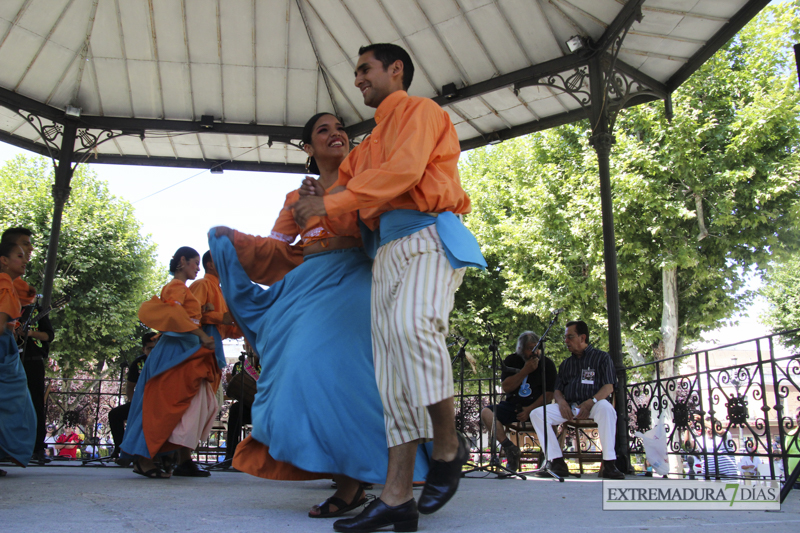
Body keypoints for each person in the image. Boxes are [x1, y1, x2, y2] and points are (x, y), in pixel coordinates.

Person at [292, 43, 486, 532]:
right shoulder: (362, 151)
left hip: (427, 233)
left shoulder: (422, 111)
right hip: (386, 253)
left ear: (395, 70)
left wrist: (333, 203)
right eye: (355, 72)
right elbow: (344, 201)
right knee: (391, 378)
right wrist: (320, 198)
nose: (357, 79)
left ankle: (447, 445)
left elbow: (404, 173)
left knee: (412, 327)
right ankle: (397, 497)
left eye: (365, 69)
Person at [211, 111, 431, 521]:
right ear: (309, 148)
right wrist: (235, 241)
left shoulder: (365, 181)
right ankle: (348, 469)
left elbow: (385, 224)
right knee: (297, 368)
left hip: (356, 278)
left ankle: (353, 485)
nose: (336, 134)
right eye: (323, 130)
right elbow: (278, 249)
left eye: (340, 128)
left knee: (343, 371)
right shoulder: (294, 199)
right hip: (308, 286)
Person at [120, 246, 218, 479]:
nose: (197, 268)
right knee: (161, 406)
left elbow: (182, 314)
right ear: (182, 261)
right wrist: (202, 335)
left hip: (182, 350)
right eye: (195, 263)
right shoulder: (176, 286)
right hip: (175, 352)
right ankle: (144, 459)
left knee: (179, 405)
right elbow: (174, 315)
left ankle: (162, 457)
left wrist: (202, 310)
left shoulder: (182, 289)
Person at [528, 320, 625, 479]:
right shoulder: (566, 364)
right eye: (565, 337)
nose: (566, 341)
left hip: (595, 405)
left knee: (607, 409)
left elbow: (608, 388)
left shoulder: (602, 358)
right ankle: (556, 462)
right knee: (537, 414)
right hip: (571, 407)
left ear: (582, 337)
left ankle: (609, 463)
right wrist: (561, 402)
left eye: (570, 337)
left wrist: (590, 402)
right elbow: (558, 389)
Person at [1, 227, 53, 465]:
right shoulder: (4, 283)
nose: (29, 252)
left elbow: (47, 334)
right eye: (21, 250)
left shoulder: (15, 286)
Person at [479, 331, 556, 472]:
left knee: (544, 415)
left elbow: (549, 394)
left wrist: (529, 410)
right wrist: (524, 371)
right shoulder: (512, 361)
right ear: (520, 349)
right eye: (529, 348)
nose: (534, 352)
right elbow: (506, 387)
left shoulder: (547, 364)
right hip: (513, 405)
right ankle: (510, 448)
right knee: (486, 412)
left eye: (536, 348)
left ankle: (549, 459)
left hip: (537, 409)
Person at [0, 241, 37, 476]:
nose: (25, 260)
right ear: (4, 259)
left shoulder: (10, 285)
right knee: (14, 404)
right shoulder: (3, 283)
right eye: (19, 255)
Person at [107, 332, 159, 462]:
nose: (153, 351)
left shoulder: (164, 361)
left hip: (160, 404)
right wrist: (134, 403)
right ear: (143, 349)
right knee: (115, 415)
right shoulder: (138, 363)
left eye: (155, 348)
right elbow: (130, 386)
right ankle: (120, 449)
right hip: (141, 403)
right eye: (149, 348)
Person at [222, 341, 259, 464]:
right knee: (235, 410)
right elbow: (235, 389)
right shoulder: (240, 365)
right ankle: (230, 454)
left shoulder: (270, 363)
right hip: (248, 405)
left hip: (268, 406)